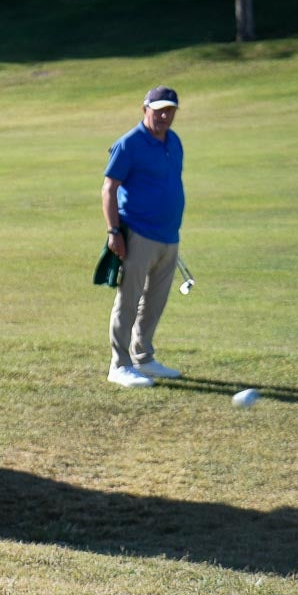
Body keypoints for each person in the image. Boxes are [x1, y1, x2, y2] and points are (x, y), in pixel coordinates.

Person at [101, 86, 185, 388]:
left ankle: (143, 357)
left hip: (168, 235)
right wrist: (114, 232)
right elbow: (109, 189)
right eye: (159, 109)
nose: (164, 115)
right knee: (129, 299)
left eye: (170, 110)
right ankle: (119, 365)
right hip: (137, 233)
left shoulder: (174, 142)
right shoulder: (129, 144)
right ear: (145, 109)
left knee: (156, 301)